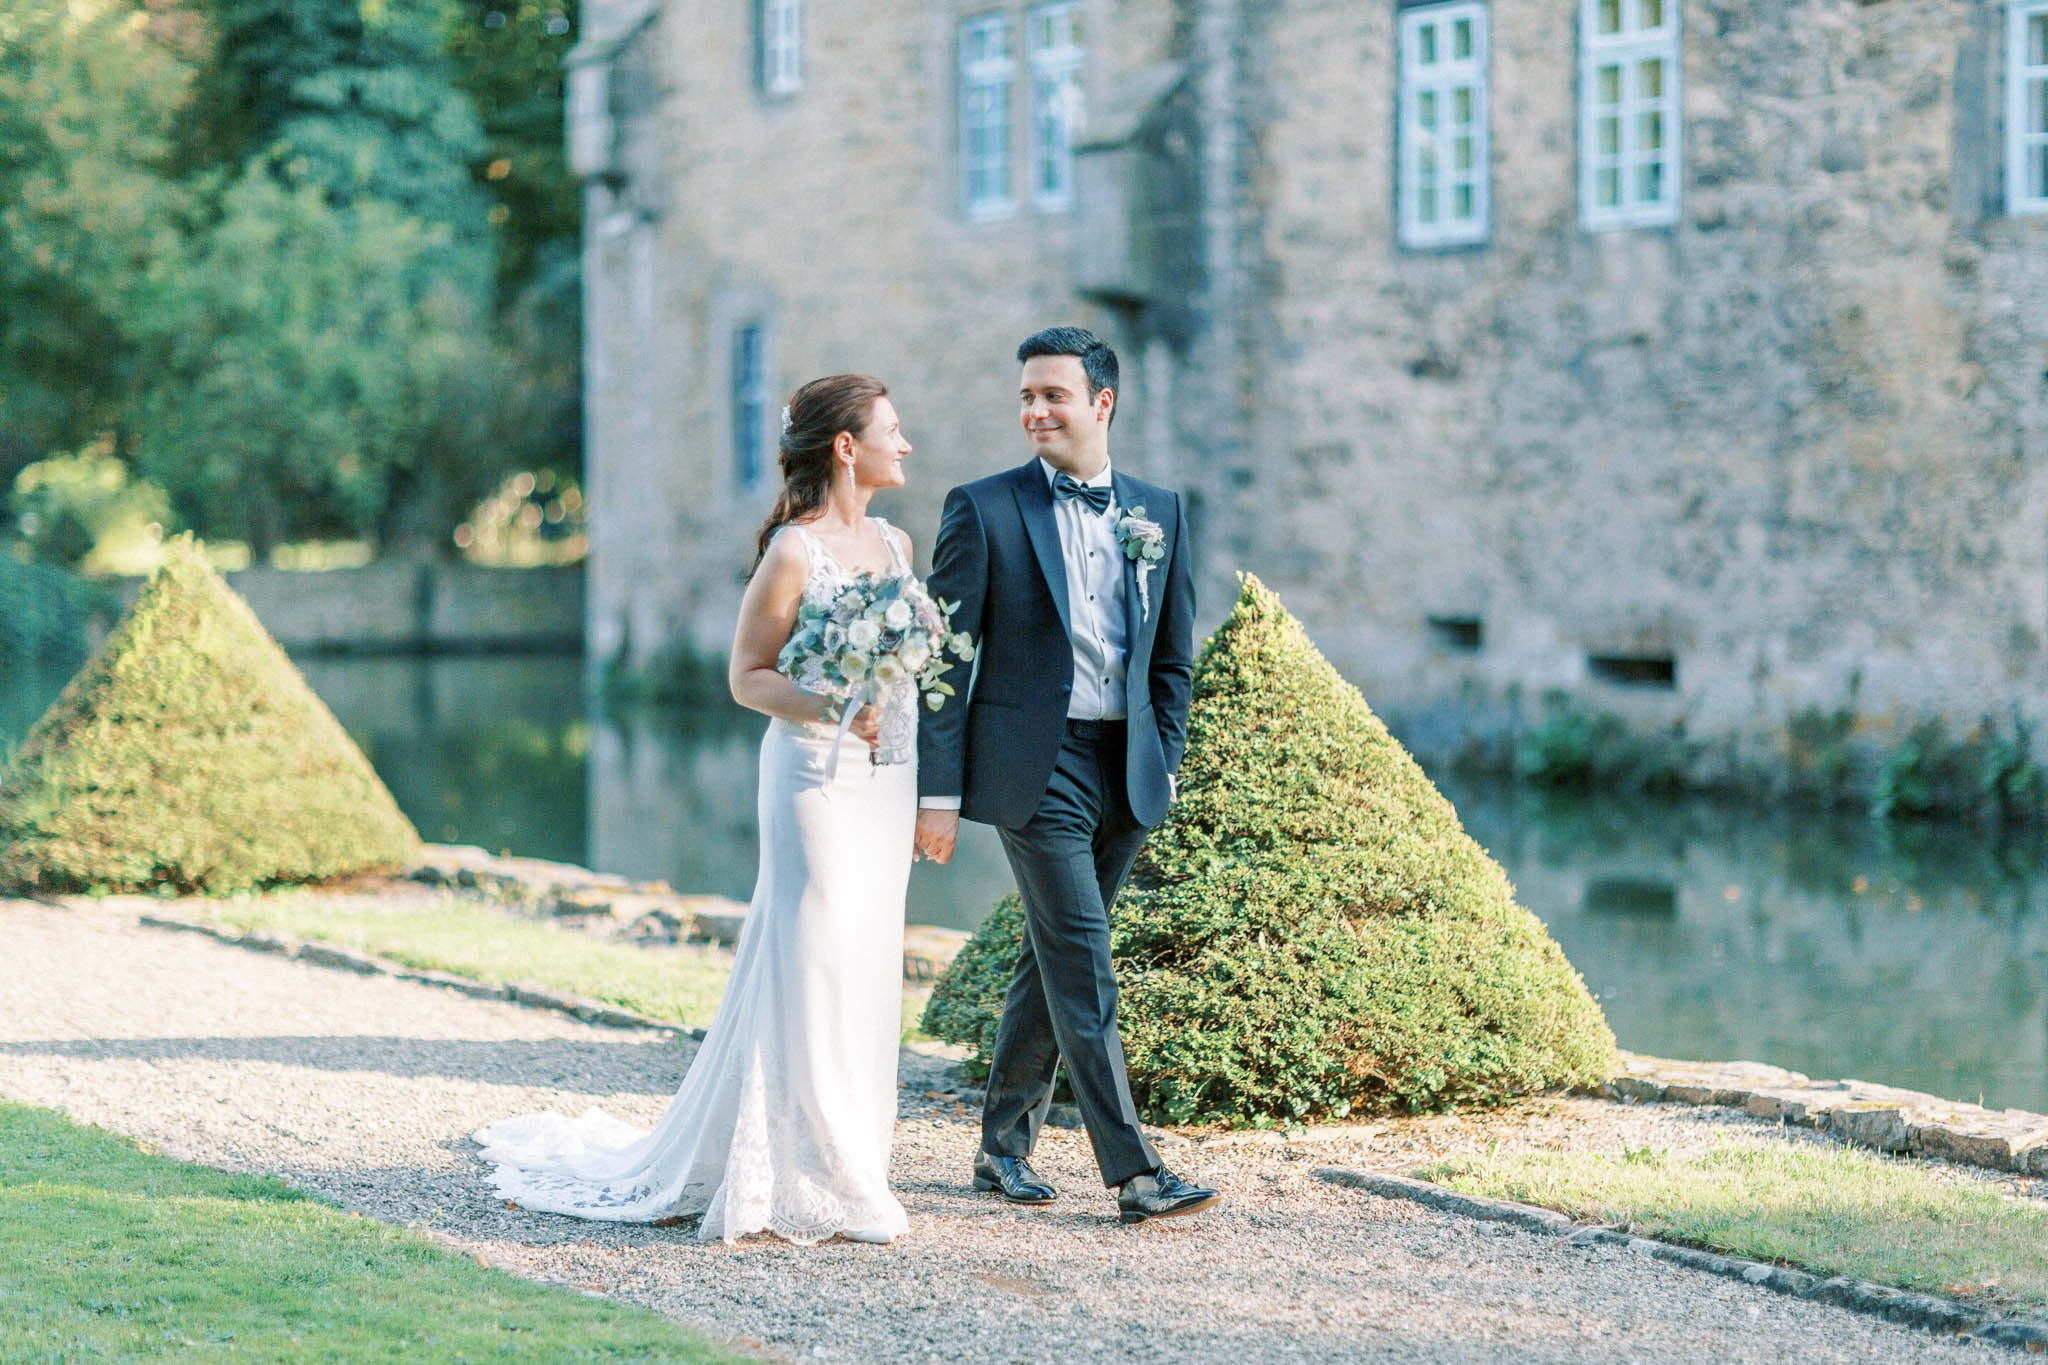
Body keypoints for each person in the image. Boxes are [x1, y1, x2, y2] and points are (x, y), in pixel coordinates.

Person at [475, 374, 920, 1245]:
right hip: (811, 777)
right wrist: (833, 706)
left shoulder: (899, 545)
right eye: (892, 430)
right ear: (845, 446)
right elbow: (746, 677)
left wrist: (902, 748)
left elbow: (906, 674)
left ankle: (853, 1154)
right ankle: (812, 1171)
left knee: (867, 960)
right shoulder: (794, 551)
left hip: (883, 780)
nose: (904, 445)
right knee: (814, 953)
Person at [914, 326, 1220, 1225]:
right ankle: (1134, 1172)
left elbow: (1173, 658)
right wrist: (939, 789)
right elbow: (946, 661)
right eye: (1025, 397)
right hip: (1032, 769)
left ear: (1102, 404)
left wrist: (1161, 751)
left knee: (1047, 960)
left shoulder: (1160, 509)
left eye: (1053, 394)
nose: (1035, 410)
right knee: (1085, 962)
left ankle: (1000, 1151)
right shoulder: (983, 507)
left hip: (1125, 768)